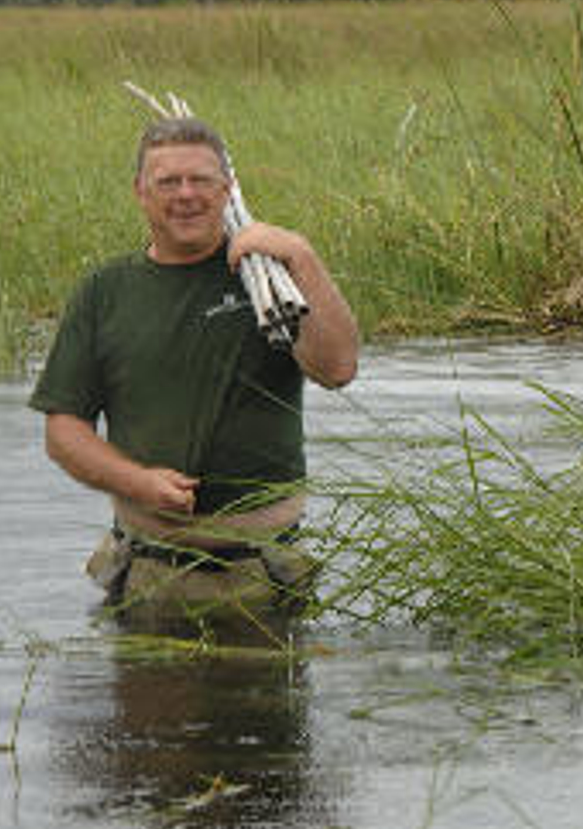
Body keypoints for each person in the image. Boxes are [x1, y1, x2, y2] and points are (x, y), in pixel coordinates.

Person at [29, 116, 359, 623]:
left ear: (228, 189)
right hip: (145, 569)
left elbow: (337, 368)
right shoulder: (104, 292)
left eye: (201, 180)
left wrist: (301, 255)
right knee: (142, 677)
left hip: (264, 569)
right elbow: (63, 433)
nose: (186, 194)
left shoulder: (271, 279)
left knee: (267, 677)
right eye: (168, 182)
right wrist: (139, 483)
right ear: (140, 192)